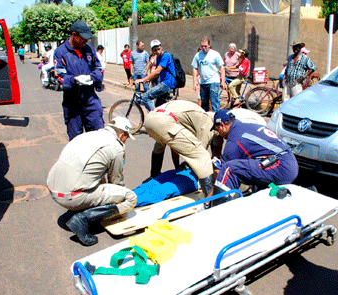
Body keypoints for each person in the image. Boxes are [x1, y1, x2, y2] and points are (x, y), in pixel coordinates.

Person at [47, 117, 137, 246]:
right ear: (122, 134)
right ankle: (83, 219)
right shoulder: (116, 148)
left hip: (53, 188)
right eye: (127, 138)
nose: (126, 141)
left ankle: (86, 210)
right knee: (130, 198)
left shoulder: (90, 135)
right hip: (71, 197)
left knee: (99, 181)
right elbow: (117, 181)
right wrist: (120, 204)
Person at [208, 109, 298, 206]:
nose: (219, 134)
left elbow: (224, 174)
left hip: (281, 166)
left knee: (229, 169)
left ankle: (220, 210)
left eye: (217, 130)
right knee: (247, 164)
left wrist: (209, 199)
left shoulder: (234, 141)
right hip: (290, 162)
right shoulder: (248, 126)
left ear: (221, 125)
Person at [144, 100, 217, 198]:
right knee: (202, 157)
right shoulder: (207, 122)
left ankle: (154, 175)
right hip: (164, 120)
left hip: (151, 118)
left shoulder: (193, 115)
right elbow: (198, 154)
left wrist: (177, 167)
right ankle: (210, 199)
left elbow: (175, 146)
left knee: (160, 144)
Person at [54, 20, 104, 141]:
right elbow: (58, 75)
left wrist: (92, 77)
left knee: (99, 136)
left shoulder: (90, 50)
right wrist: (74, 80)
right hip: (72, 101)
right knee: (76, 141)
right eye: (83, 38)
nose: (86, 41)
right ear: (74, 35)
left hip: (90, 99)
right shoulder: (61, 52)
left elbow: (99, 69)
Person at [134, 39, 177, 110]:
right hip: (163, 83)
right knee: (157, 106)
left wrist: (144, 79)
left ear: (161, 47)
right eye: (155, 50)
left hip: (167, 83)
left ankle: (154, 117)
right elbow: (157, 75)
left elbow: (157, 71)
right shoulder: (158, 57)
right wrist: (148, 79)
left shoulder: (166, 55)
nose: (157, 51)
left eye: (158, 49)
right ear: (152, 51)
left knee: (145, 97)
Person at [191, 37, 226, 112]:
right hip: (203, 82)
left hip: (214, 81)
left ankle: (217, 120)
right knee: (204, 103)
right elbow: (195, 68)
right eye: (202, 46)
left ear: (209, 45)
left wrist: (223, 81)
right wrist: (195, 82)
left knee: (214, 102)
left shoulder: (215, 54)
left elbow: (222, 67)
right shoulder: (198, 55)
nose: (203, 48)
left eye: (205, 46)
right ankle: (206, 119)